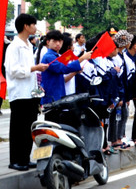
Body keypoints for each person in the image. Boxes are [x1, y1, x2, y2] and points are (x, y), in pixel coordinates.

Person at [6, 14, 48, 171]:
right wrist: (34, 68)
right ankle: (15, 160)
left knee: (29, 127)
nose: (35, 27)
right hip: (19, 93)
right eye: (33, 24)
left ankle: (25, 158)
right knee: (18, 128)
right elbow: (12, 70)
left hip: (30, 93)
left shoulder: (29, 46)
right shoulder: (14, 46)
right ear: (25, 26)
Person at [40, 30, 92, 105]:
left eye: (60, 41)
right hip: (52, 97)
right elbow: (63, 68)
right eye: (54, 41)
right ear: (48, 42)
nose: (58, 44)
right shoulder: (49, 57)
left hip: (57, 94)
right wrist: (82, 58)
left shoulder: (56, 56)